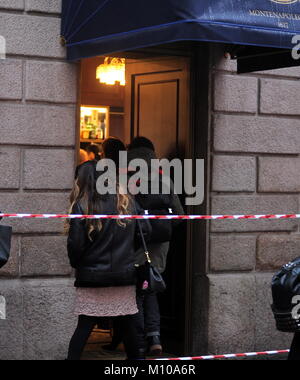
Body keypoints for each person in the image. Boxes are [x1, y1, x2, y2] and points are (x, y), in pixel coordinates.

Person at [65, 160, 150, 360]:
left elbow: (75, 245)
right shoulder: (126, 203)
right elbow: (145, 231)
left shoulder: (82, 205)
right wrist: (128, 254)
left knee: (84, 327)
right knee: (128, 326)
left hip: (92, 277)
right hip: (124, 274)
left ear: (84, 180)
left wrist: (80, 264)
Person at [127, 136, 184, 356]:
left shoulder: (125, 176)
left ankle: (138, 342)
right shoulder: (164, 177)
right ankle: (156, 339)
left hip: (134, 243)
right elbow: (180, 216)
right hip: (160, 246)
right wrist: (163, 228)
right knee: (150, 290)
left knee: (136, 295)